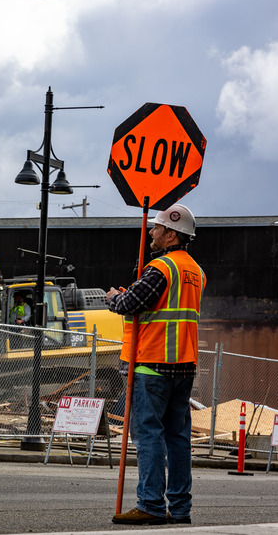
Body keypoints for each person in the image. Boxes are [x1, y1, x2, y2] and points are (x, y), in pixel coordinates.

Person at [106, 203, 206, 526]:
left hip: (152, 364)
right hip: (184, 365)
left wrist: (112, 298)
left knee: (148, 435)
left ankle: (150, 503)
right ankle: (179, 509)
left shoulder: (161, 269)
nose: (151, 232)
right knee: (177, 438)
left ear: (171, 234)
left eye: (157, 228)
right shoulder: (196, 272)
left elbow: (129, 304)